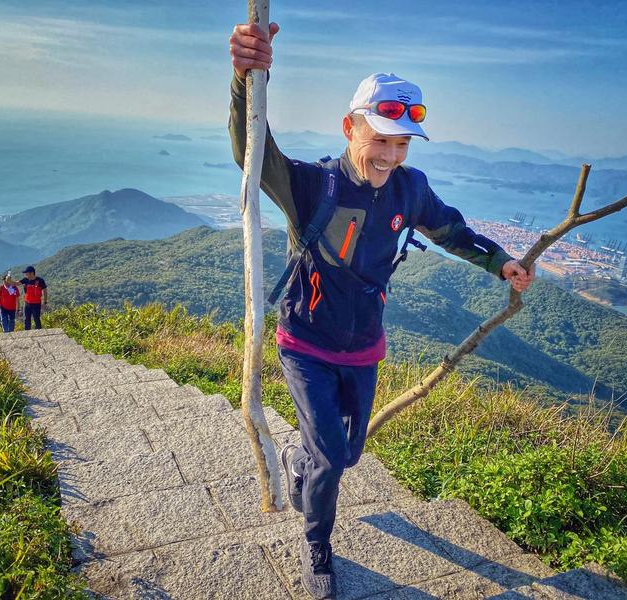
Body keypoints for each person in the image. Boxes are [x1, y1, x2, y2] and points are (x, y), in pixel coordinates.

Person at [229, 23, 535, 599]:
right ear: (351, 128)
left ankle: (299, 459)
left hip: (364, 346)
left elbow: (450, 230)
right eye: (382, 140)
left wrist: (501, 263)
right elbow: (253, 152)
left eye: (403, 144)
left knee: (347, 453)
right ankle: (318, 544)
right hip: (306, 343)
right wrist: (246, 76)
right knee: (330, 454)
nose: (391, 155)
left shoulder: (408, 189)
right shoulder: (313, 186)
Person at [19, 265, 47, 330]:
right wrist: (9, 280)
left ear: (32, 273)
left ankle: (39, 332)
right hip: (27, 303)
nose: (25, 274)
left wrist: (45, 302)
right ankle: (27, 333)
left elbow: (45, 291)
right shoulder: (25, 280)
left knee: (36, 319)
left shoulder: (40, 280)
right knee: (26, 319)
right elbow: (15, 283)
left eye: (27, 273)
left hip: (36, 304)